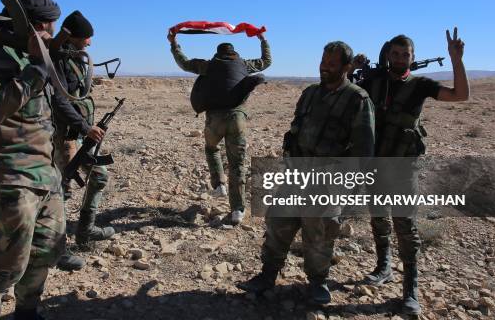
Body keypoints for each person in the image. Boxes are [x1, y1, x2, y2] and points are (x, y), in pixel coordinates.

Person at [238, 41, 375, 305]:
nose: (325, 68)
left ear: (347, 67)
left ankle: (317, 283)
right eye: (323, 62)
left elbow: (364, 152)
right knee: (278, 224)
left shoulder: (357, 99)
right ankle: (267, 275)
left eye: (332, 64)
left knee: (319, 234)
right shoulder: (310, 93)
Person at [0, 0, 66, 320]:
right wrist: (37, 67)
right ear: (32, 25)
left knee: (46, 250)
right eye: (47, 25)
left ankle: (26, 313)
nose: (51, 31)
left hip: (43, 173)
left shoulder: (25, 54)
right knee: (2, 270)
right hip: (7, 174)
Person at [359, 29, 469, 315]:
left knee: (405, 226)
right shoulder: (374, 81)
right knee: (378, 218)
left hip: (403, 166)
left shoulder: (420, 85)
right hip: (375, 163)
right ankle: (383, 267)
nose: (399, 59)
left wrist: (457, 60)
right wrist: (354, 67)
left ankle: (411, 290)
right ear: (388, 55)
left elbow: (460, 95)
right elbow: (344, 91)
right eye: (394, 54)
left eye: (405, 54)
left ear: (412, 57)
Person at [168, 31, 271, 225]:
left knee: (211, 149)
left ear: (217, 54)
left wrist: (174, 43)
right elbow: (266, 61)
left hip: (215, 120)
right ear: (234, 53)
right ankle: (238, 211)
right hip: (237, 119)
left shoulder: (208, 65)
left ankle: (219, 185)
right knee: (237, 165)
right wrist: (263, 39)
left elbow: (183, 62)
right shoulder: (244, 65)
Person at [51, 11, 114, 266]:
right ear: (74, 36)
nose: (89, 43)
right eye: (86, 38)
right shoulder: (56, 60)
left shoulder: (73, 58)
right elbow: (58, 100)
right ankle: (57, 248)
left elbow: (75, 92)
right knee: (62, 191)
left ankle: (85, 231)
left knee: (98, 176)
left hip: (79, 134)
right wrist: (83, 126)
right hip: (65, 135)